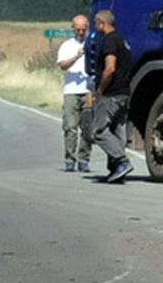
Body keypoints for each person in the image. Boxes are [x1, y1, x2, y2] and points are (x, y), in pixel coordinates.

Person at [91, 9, 134, 183]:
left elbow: (110, 68)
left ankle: (122, 161)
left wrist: (100, 89)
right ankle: (116, 169)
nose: (96, 27)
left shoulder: (109, 41)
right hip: (124, 93)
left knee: (99, 130)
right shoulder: (123, 41)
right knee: (117, 132)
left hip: (111, 94)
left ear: (102, 23)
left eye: (96, 23)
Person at [56, 14, 93, 171]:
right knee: (70, 126)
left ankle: (83, 159)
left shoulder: (93, 44)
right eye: (77, 30)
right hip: (71, 90)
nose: (80, 33)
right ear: (73, 29)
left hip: (88, 91)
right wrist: (76, 56)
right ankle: (70, 159)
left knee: (87, 127)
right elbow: (62, 65)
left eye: (83, 30)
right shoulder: (67, 45)